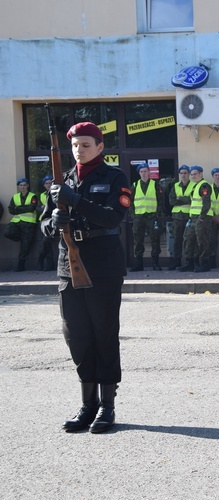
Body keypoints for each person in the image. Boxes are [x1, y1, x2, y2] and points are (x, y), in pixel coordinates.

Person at [39, 122, 131, 433]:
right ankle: (87, 405)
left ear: (100, 147)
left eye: (86, 145)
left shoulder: (114, 177)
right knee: (76, 336)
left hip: (102, 266)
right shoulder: (62, 180)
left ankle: (107, 406)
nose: (80, 150)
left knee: (104, 334)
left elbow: (112, 217)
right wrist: (53, 220)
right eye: (76, 145)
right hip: (69, 265)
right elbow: (44, 227)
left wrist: (75, 201)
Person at [179, 166, 213, 273]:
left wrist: (201, 218)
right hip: (193, 218)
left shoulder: (204, 185)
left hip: (202, 218)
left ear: (201, 174)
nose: (193, 176)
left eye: (195, 174)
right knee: (189, 239)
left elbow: (206, 203)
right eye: (192, 174)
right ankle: (190, 263)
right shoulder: (195, 186)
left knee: (202, 241)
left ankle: (204, 264)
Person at [130, 163, 163, 271]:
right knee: (138, 240)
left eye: (145, 171)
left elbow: (160, 201)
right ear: (139, 173)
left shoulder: (155, 184)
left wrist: (158, 214)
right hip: (139, 217)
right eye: (141, 172)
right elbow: (129, 202)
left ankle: (155, 263)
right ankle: (139, 264)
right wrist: (133, 215)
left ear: (149, 172)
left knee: (155, 239)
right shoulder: (135, 185)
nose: (143, 173)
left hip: (152, 216)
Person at [7, 177, 39, 271]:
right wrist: (24, 208)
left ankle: (21, 264)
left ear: (28, 186)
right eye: (21, 185)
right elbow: (11, 210)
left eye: (24, 185)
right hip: (16, 222)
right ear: (18, 187)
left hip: (29, 224)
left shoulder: (33, 196)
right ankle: (20, 237)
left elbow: (32, 208)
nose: (23, 187)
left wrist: (18, 208)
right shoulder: (15, 197)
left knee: (26, 245)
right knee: (7, 232)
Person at [167, 165, 195, 270]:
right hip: (177, 217)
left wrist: (180, 199)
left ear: (189, 174)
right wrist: (185, 199)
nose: (183, 175)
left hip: (189, 216)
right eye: (181, 173)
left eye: (185, 173)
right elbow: (172, 201)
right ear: (179, 174)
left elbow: (193, 200)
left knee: (189, 240)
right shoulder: (175, 186)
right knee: (177, 240)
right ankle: (176, 262)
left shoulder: (194, 185)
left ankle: (189, 262)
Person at [37, 175, 58, 271]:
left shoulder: (57, 192)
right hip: (45, 222)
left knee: (46, 242)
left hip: (55, 220)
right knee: (45, 243)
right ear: (44, 185)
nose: (49, 185)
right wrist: (43, 209)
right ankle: (47, 263)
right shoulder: (41, 195)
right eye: (47, 183)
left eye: (50, 183)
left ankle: (43, 262)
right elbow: (37, 208)